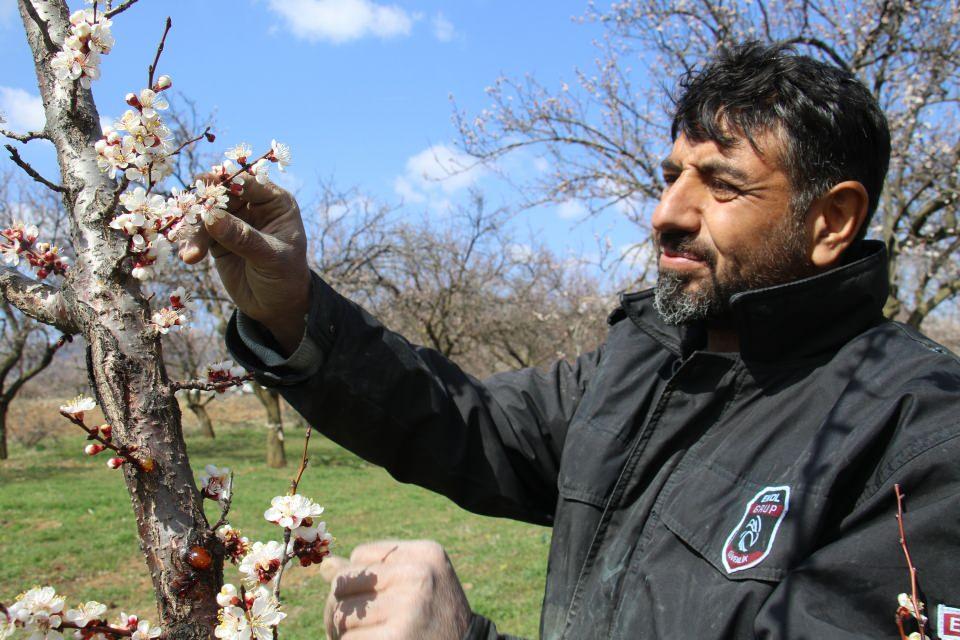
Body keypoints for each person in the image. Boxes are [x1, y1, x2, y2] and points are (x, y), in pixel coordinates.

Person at [180, 42, 960, 639]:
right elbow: (467, 422)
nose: (667, 213)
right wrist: (294, 311)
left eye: (722, 184)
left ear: (831, 221)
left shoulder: (919, 443)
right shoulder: (647, 361)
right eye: (672, 175)